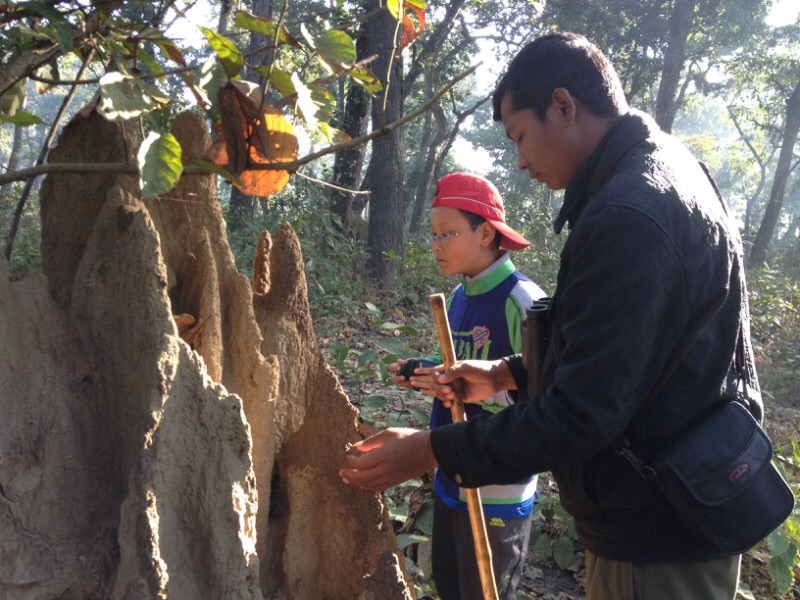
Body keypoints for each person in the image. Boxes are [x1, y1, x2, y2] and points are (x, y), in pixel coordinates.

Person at [340, 31, 762, 600]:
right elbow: (618, 342)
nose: (519, 159)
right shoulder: (665, 175)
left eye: (520, 135)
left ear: (564, 106)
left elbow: (584, 410)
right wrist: (506, 373)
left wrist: (428, 450)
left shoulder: (630, 211)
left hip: (658, 528)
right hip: (677, 504)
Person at [387, 172, 545, 600]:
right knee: (453, 583)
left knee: (486, 591)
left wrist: (479, 390)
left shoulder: (524, 301)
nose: (436, 244)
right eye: (433, 234)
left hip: (498, 482)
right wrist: (432, 374)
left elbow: (543, 399)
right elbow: (463, 371)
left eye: (447, 233)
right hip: (451, 468)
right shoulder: (458, 297)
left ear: (487, 232)